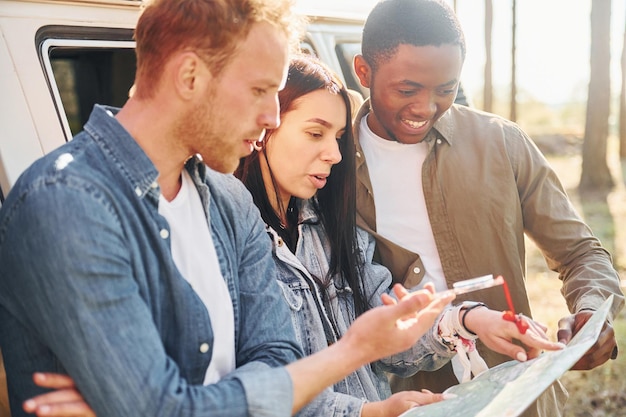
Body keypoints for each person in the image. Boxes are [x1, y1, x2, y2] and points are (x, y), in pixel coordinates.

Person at [20, 53, 566, 417]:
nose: (333, 152)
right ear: (266, 126)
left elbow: (386, 326)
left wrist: (469, 320)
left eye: (336, 136)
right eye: (313, 132)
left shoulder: (331, 230)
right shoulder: (222, 228)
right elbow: (267, 382)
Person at [0, 0, 457, 416]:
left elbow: (278, 360)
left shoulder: (228, 200)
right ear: (190, 77)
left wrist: (172, 401)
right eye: (260, 90)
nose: (272, 118)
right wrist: (343, 354)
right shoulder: (66, 202)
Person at [350, 0, 625, 416]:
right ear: (363, 72)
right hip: (410, 404)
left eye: (445, 89)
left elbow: (580, 252)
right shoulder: (331, 171)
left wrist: (591, 309)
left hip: (522, 396)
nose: (426, 108)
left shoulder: (502, 143)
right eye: (407, 90)